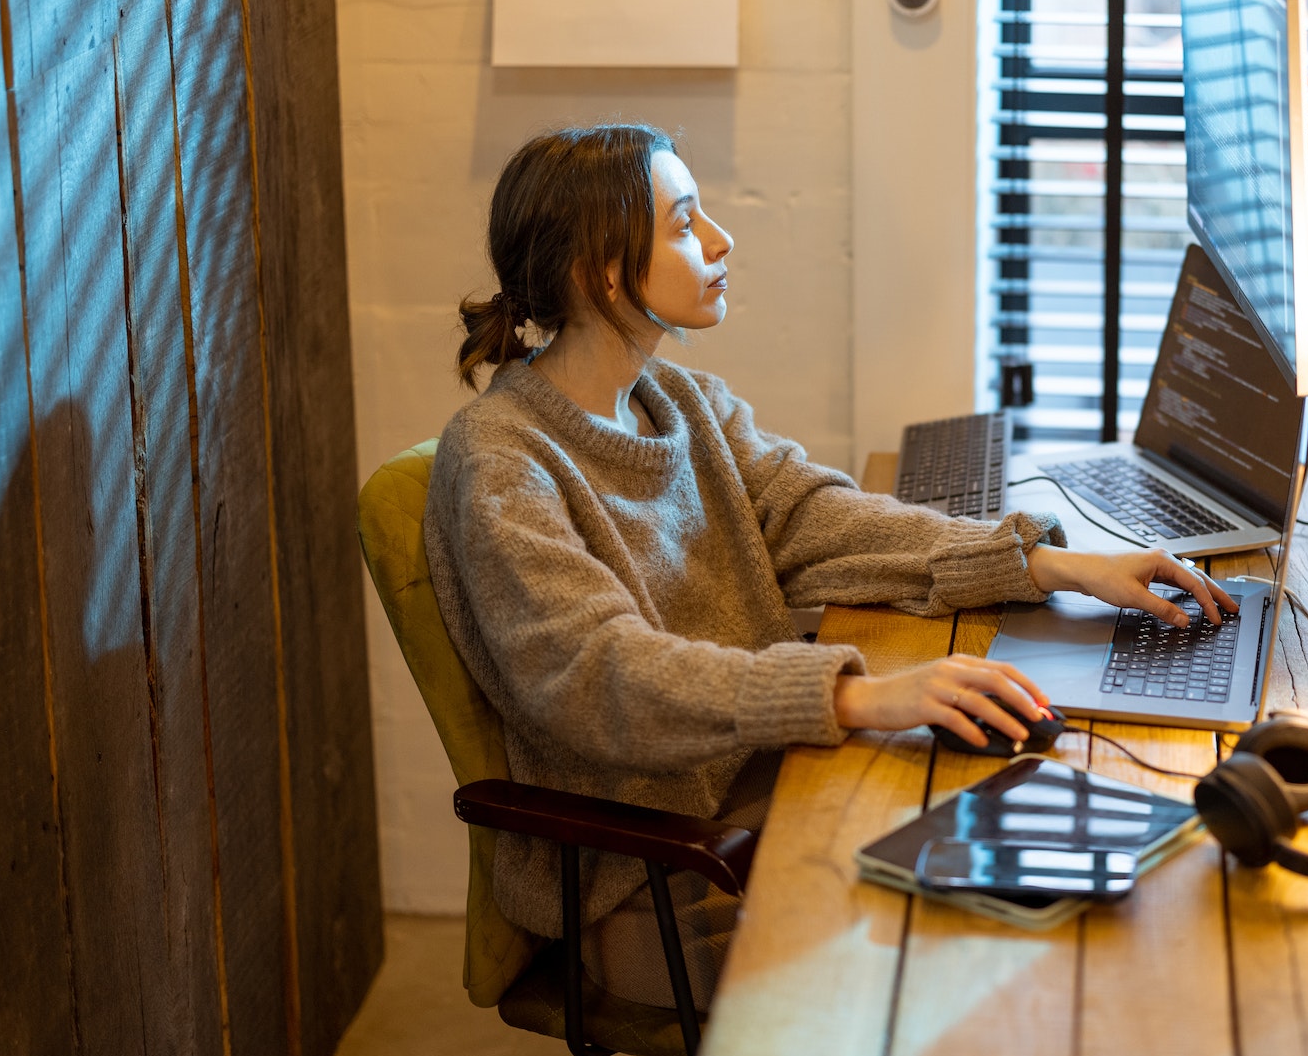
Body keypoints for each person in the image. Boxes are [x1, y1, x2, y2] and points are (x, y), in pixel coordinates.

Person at [425, 123, 1235, 1010]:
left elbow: (817, 519)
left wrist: (1048, 566)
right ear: (602, 273)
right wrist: (854, 696)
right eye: (686, 224)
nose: (722, 241)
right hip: (655, 877)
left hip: (772, 793)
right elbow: (598, 675)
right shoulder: (501, 462)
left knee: (1057, 842)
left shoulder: (681, 403)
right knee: (979, 958)